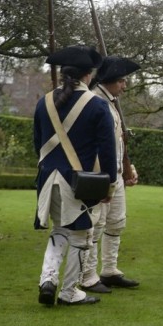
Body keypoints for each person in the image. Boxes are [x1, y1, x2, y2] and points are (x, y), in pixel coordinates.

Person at [34, 45, 117, 306]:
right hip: (78, 182)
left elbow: (37, 143)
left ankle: (48, 280)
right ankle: (69, 292)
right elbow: (108, 151)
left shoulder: (44, 102)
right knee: (82, 235)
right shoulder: (98, 105)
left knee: (59, 229)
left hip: (48, 179)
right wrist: (109, 186)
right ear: (88, 75)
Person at [80, 56, 141, 293]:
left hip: (115, 173)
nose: (125, 86)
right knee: (95, 226)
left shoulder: (111, 102)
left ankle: (109, 270)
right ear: (110, 80)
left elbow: (117, 143)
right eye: (122, 81)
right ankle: (88, 275)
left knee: (116, 223)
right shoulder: (94, 101)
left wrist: (127, 168)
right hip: (99, 174)